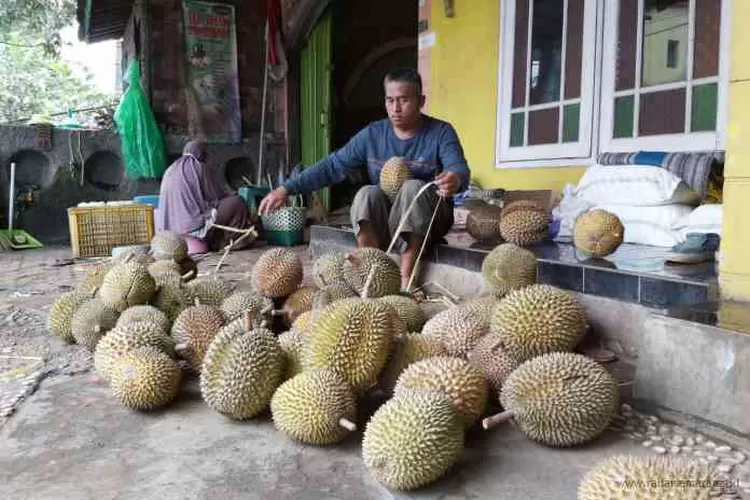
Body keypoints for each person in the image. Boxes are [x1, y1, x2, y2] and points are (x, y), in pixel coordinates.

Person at [259, 68, 471, 290]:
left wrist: (454, 178)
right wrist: (286, 188)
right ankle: (368, 274)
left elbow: (459, 168)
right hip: (389, 221)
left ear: (421, 101)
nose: (395, 108)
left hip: (429, 222)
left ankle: (405, 281)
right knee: (366, 193)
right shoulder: (373, 134)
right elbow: (332, 165)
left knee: (412, 187)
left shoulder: (441, 132)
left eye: (404, 100)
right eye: (390, 100)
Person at [156, 139, 253, 252]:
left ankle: (216, 241)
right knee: (237, 202)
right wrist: (231, 195)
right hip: (192, 228)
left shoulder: (170, 169)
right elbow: (214, 199)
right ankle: (231, 242)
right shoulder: (198, 167)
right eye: (206, 154)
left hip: (169, 231)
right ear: (201, 154)